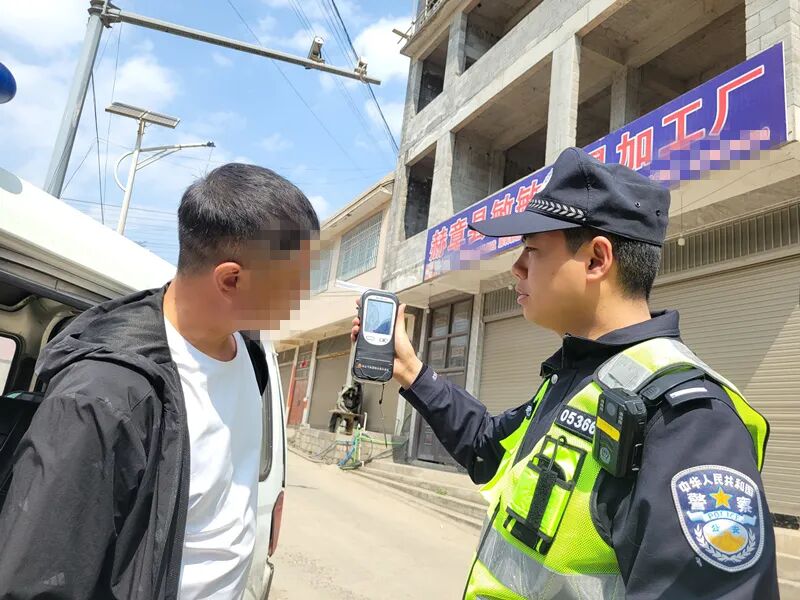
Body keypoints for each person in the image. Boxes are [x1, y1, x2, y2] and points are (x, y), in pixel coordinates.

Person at [352, 147, 779, 599]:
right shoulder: (584, 377)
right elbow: (487, 448)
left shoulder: (688, 421)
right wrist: (410, 369)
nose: (516, 268)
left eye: (532, 249)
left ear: (596, 260)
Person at [0, 164, 319, 599]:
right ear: (231, 279)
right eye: (295, 282)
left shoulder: (250, 352)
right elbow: (37, 579)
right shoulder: (105, 395)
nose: (303, 296)